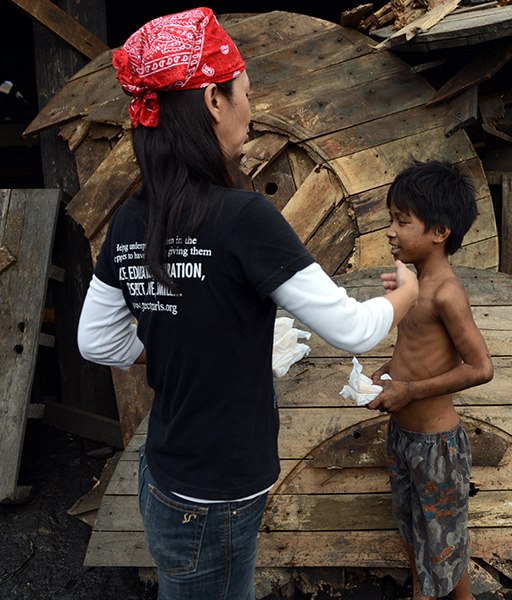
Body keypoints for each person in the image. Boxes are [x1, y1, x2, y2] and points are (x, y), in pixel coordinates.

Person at [76, 8, 417, 599]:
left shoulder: (132, 218)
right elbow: (356, 330)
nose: (252, 111)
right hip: (219, 492)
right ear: (214, 100)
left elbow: (96, 339)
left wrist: (183, 343)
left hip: (163, 473)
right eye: (247, 94)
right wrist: (408, 293)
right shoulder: (243, 216)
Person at [366, 161, 494, 600]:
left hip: (437, 445)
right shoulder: (413, 285)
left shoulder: (446, 293)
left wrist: (410, 391)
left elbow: (481, 367)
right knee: (417, 530)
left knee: (442, 538)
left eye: (402, 221)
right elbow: (416, 346)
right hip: (403, 437)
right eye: (391, 219)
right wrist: (387, 372)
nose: (390, 231)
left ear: (439, 232)